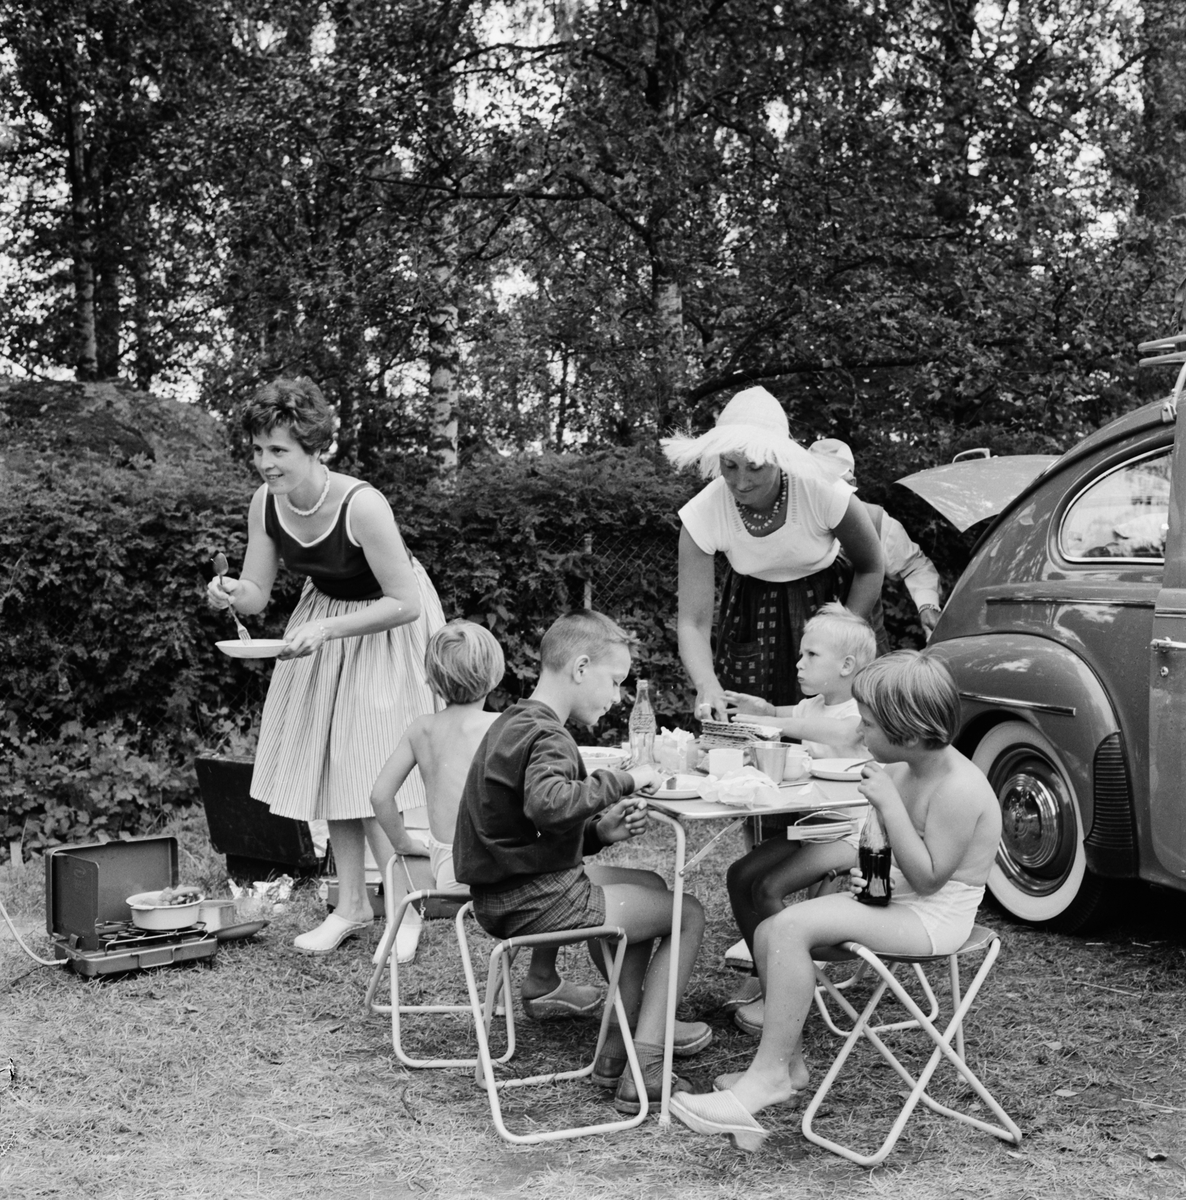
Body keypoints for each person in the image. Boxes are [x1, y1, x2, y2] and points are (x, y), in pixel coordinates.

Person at [668, 652, 1002, 1152]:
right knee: (767, 927)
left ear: (908, 732)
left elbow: (930, 879)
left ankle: (770, 1080)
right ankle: (787, 1063)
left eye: (868, 725)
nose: (861, 734)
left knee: (785, 928)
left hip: (932, 917)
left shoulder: (958, 787)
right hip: (894, 897)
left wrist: (886, 805)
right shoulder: (910, 765)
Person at [206, 376, 445, 955]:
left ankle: (406, 908)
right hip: (325, 621)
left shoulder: (362, 504)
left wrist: (328, 629)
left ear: (314, 447)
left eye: (279, 450)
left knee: (378, 772)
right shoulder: (265, 502)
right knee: (333, 760)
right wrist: (231, 592)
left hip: (388, 626)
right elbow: (259, 593)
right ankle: (352, 905)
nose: (265, 463)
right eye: (259, 449)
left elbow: (404, 601)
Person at [453, 610, 711, 1115]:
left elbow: (529, 827)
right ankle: (650, 1067)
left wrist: (596, 833)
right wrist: (630, 778)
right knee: (689, 913)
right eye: (615, 682)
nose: (617, 697)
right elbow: (548, 803)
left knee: (648, 885)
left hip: (506, 892)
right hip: (535, 899)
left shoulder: (514, 720)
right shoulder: (549, 736)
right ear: (580, 667)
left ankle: (617, 1051)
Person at [370, 621, 600, 1020]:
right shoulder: (502, 727)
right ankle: (543, 976)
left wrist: (404, 843)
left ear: (431, 678)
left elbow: (379, 795)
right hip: (485, 865)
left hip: (444, 863)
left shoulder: (422, 728)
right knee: (556, 852)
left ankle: (545, 979)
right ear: (496, 674)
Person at [661, 386, 884, 726]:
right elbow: (692, 621)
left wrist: (843, 637)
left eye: (754, 467)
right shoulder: (703, 514)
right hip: (753, 611)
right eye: (730, 465)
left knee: (839, 723)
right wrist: (706, 684)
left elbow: (871, 566)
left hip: (832, 604)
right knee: (749, 724)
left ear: (778, 459)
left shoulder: (822, 490)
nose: (741, 481)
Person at [720, 603, 876, 1032]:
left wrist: (767, 719)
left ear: (846, 666)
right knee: (740, 875)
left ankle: (784, 999)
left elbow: (843, 735)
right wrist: (768, 711)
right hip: (812, 827)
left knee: (769, 886)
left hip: (851, 834)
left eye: (812, 655)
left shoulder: (864, 711)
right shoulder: (812, 707)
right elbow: (789, 719)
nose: (798, 662)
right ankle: (765, 971)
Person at [808, 438, 943, 652]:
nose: (824, 493)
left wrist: (927, 605)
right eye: (816, 483)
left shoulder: (875, 521)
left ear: (851, 484)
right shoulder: (794, 520)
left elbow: (914, 565)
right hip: (808, 646)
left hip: (864, 650)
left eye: (832, 483)